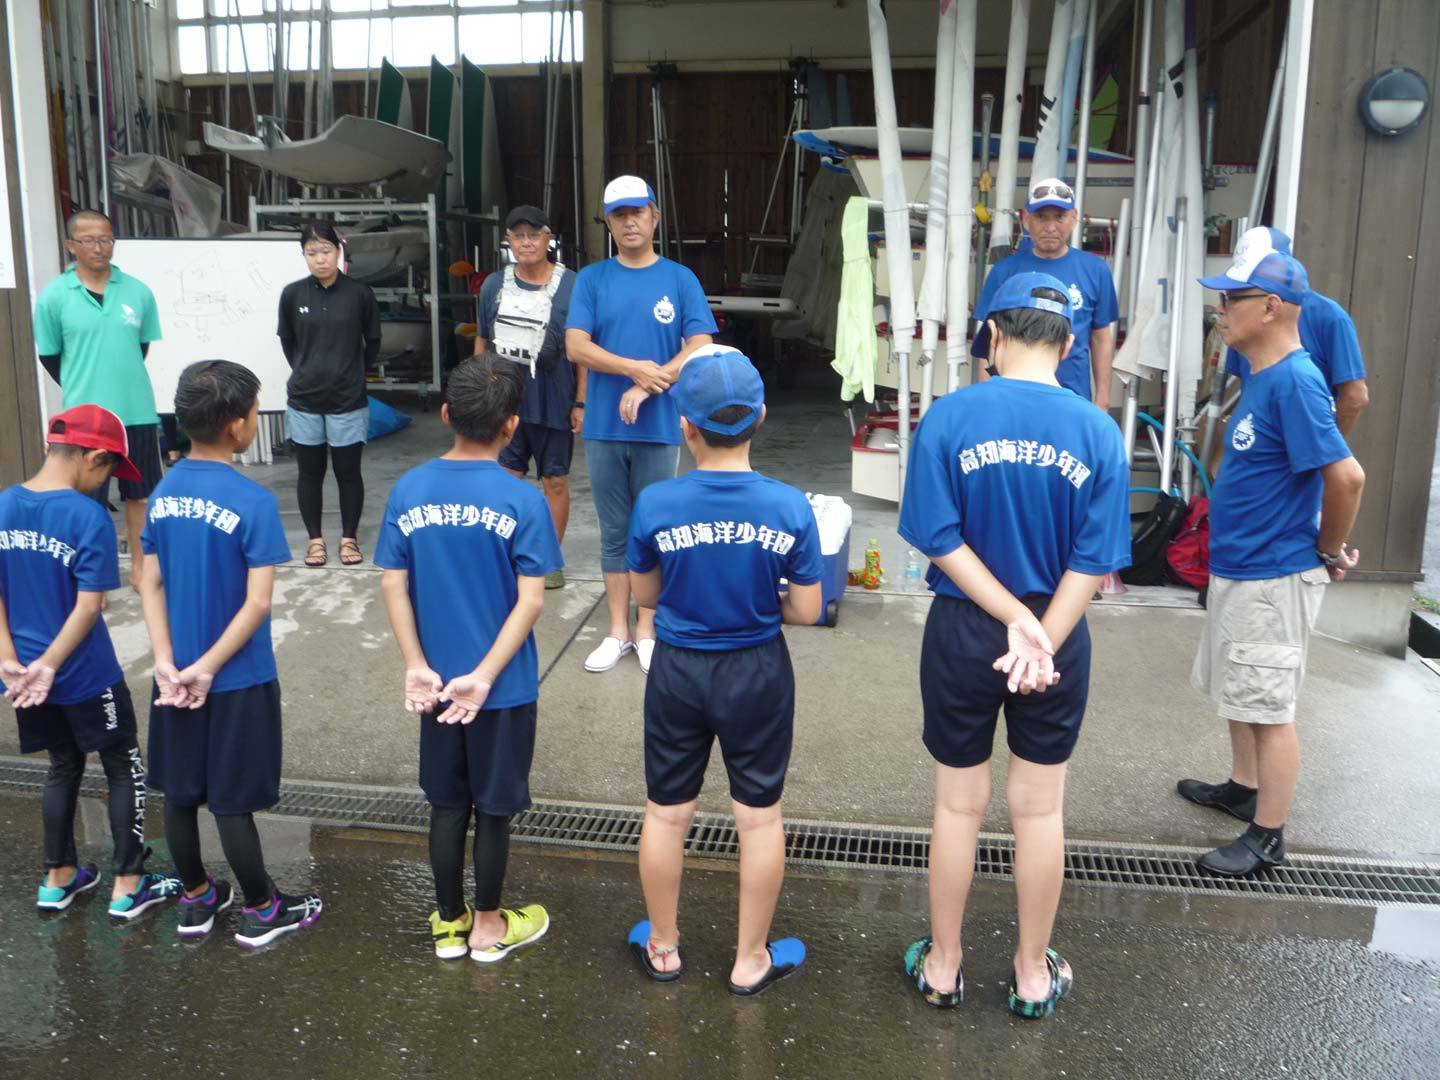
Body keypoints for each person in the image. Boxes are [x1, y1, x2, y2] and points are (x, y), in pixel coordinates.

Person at [897, 273, 1130, 1018]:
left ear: (992, 336)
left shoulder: (950, 416)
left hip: (965, 629)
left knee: (957, 804)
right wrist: (1040, 638)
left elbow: (938, 538)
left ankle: (944, 966)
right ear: (1067, 343)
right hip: (1055, 635)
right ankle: (1032, 973)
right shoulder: (1097, 430)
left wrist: (1006, 618)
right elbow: (1093, 558)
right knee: (1038, 811)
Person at [624, 345, 823, 995]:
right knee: (759, 818)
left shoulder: (656, 503)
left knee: (666, 813)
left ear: (685, 425)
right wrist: (762, 604)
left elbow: (646, 597)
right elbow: (808, 609)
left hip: (678, 668)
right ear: (760, 417)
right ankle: (749, 959)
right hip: (757, 668)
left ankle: (663, 946)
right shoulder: (789, 506)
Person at [1180, 249, 1365, 877]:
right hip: (1243, 567)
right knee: (1242, 690)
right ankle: (1244, 787)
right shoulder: (1262, 374)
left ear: (1271, 307)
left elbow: (1347, 477)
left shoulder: (1296, 381)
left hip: (1271, 575)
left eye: (1231, 299)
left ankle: (1267, 836)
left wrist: (1328, 551)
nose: (1221, 310)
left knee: (1269, 709)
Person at [376, 355, 561, 961]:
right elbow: (531, 600)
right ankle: (488, 926)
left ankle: (449, 923)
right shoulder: (523, 499)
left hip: (434, 685)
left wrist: (415, 663)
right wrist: (484, 676)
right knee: (495, 809)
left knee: (447, 804)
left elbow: (393, 583)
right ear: (512, 426)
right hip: (500, 689)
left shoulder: (410, 489)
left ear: (446, 414)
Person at [139, 360, 323, 946]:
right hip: (236, 677)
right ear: (239, 425)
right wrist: (209, 668)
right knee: (231, 800)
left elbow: (149, 581)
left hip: (173, 678)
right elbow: (257, 602)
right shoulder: (253, 501)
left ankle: (196, 897)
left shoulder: (164, 492)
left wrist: (166, 661)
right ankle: (263, 908)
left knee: (180, 793)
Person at [0, 406, 181, 919]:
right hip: (84, 673)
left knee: (62, 766)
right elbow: (88, 605)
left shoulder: (4, 504)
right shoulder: (86, 516)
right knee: (124, 766)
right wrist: (52, 663)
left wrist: (9, 658)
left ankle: (57, 878)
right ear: (94, 456)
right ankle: (129, 883)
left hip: (25, 676)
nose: (106, 482)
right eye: (110, 470)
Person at [565, 176, 717, 675]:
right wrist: (633, 369)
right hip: (604, 428)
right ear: (608, 223)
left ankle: (647, 628)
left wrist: (649, 384)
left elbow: (700, 344)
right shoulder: (592, 279)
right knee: (614, 531)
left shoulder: (680, 278)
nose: (629, 222)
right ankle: (618, 631)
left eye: (637, 212)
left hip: (659, 427)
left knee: (652, 529)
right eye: (619, 215)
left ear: (654, 216)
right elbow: (576, 346)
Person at [33, 210, 165, 592]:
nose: (99, 247)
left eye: (106, 239)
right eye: (88, 240)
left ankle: (141, 570)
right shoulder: (54, 296)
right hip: (84, 419)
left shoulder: (138, 291)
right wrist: (85, 385)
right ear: (71, 245)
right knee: (85, 500)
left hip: (136, 411)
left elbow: (139, 348)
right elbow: (50, 356)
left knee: (140, 496)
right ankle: (92, 579)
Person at [474, 205, 580, 591]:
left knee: (555, 481)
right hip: (505, 401)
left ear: (548, 238)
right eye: (518, 236)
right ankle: (504, 555)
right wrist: (479, 394)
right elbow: (482, 341)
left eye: (534, 235)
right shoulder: (493, 286)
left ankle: (549, 560)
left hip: (555, 401)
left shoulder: (572, 285)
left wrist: (581, 402)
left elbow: (582, 349)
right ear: (508, 241)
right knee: (505, 480)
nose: (526, 242)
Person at [277, 223, 382, 569]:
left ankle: (349, 537)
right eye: (312, 252)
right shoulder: (292, 295)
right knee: (309, 473)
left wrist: (352, 372)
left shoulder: (360, 294)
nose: (320, 259)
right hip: (305, 400)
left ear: (338, 251)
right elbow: (288, 342)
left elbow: (373, 342)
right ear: (303, 255)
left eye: (326, 250)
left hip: (348, 399)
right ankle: (315, 540)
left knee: (348, 472)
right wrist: (307, 370)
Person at [972, 179, 1119, 409]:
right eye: (1041, 217)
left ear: (1074, 217)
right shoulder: (1004, 272)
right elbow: (989, 338)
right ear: (1026, 219)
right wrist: (987, 396)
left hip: (1073, 399)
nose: (1050, 227)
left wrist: (1103, 398)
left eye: (1059, 217)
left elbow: (1101, 338)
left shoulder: (1095, 270)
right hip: (1013, 400)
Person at [1220, 226, 1369, 433]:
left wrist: (1320, 443)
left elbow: (1355, 396)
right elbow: (1246, 385)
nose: (1224, 307)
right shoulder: (1244, 321)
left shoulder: (1330, 316)